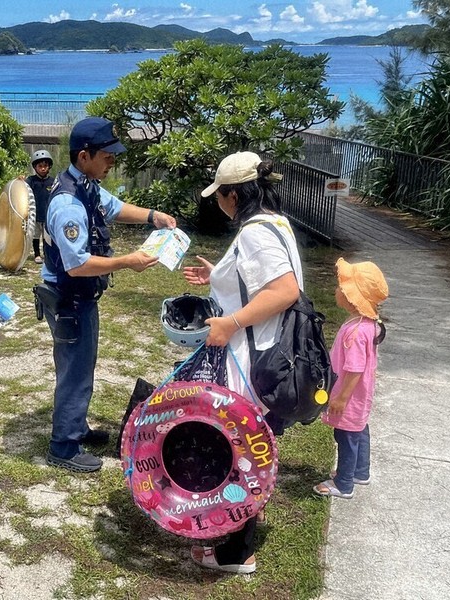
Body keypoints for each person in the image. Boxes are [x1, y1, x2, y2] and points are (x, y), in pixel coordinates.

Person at [182, 151, 302, 574]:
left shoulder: (255, 231)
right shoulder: (278, 223)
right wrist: (220, 275)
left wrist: (230, 321)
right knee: (252, 443)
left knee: (239, 449)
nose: (218, 201)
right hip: (266, 353)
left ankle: (237, 551)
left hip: (251, 358)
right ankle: (244, 523)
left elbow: (284, 289)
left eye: (221, 194)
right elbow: (261, 282)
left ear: (234, 193)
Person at [38, 116, 176, 473]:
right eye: (107, 156)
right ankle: (63, 446)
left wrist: (152, 216)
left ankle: (76, 426)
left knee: (81, 365)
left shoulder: (86, 184)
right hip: (69, 298)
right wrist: (127, 261)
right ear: (84, 155)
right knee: (75, 371)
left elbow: (114, 207)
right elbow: (77, 264)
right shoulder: (68, 202)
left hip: (80, 298)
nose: (113, 161)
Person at [314, 258, 388, 499]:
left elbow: (355, 368)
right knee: (359, 430)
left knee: (345, 436)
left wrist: (342, 398)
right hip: (361, 396)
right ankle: (360, 471)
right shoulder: (366, 323)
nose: (337, 290)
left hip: (350, 395)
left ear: (351, 297)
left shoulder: (356, 332)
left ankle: (344, 483)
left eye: (341, 288)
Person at [26, 149, 55, 264]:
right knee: (36, 236)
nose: (43, 168)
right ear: (35, 167)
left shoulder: (53, 181)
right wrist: (20, 180)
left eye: (45, 166)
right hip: (35, 215)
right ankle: (37, 254)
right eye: (40, 166)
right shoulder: (31, 181)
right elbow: (21, 188)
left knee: (47, 237)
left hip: (48, 214)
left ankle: (47, 254)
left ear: (49, 167)